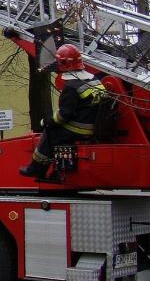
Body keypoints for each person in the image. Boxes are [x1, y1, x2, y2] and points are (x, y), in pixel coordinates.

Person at [19, 44, 107, 180]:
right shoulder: (94, 80)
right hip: (93, 125)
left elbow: (64, 115)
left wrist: (45, 123)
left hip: (79, 128)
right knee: (56, 132)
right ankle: (57, 171)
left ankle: (35, 169)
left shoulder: (71, 86)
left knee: (50, 133)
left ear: (62, 63)